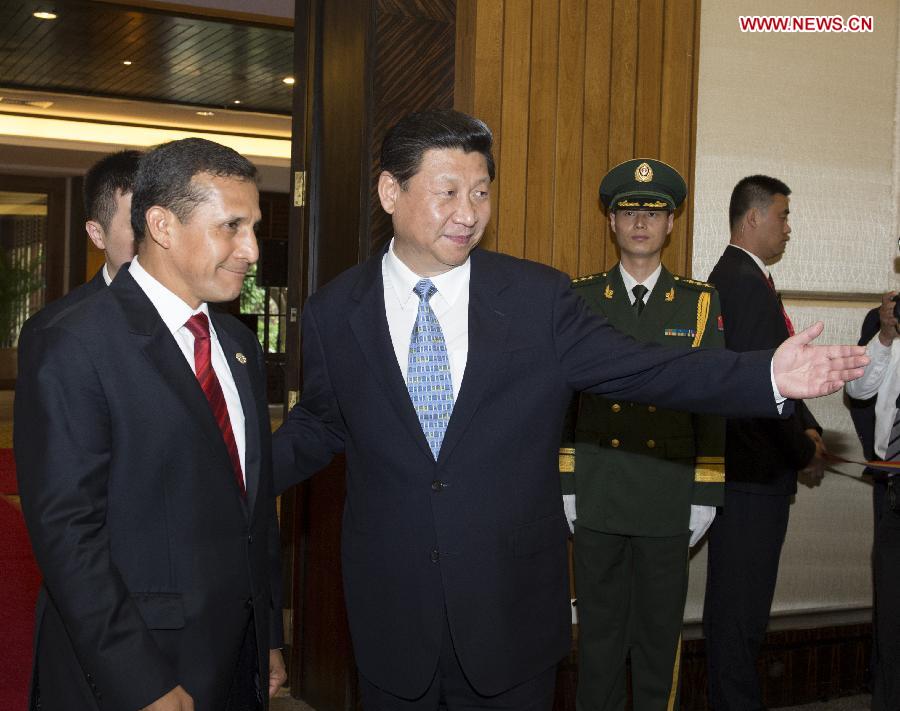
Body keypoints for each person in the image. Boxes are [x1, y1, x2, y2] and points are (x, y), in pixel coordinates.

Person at [271, 109, 865, 711]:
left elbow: (646, 366)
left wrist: (765, 373)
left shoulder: (537, 299)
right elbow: (322, 420)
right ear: (389, 191)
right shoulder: (333, 311)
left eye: (481, 192)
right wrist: (243, 469)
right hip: (392, 610)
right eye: (447, 192)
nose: (469, 213)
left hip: (511, 612)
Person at [15, 138, 286, 710]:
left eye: (254, 226)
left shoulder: (236, 343)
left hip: (236, 654)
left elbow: (252, 512)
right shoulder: (73, 340)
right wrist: (141, 680)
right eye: (231, 226)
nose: (252, 249)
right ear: (161, 225)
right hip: (134, 668)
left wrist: (268, 637)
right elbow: (69, 535)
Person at [560, 159, 724, 710]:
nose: (640, 222)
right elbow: (562, 398)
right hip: (600, 489)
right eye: (628, 210)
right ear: (610, 220)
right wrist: (566, 481)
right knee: (600, 642)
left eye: (654, 212)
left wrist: (705, 490)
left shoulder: (699, 302)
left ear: (671, 224)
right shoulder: (579, 298)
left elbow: (714, 404)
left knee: (658, 642)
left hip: (666, 490)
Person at [703, 174, 827, 711]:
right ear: (753, 218)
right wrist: (803, 450)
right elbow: (761, 393)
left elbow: (782, 371)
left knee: (739, 615)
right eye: (783, 215)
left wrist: (811, 424)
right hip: (753, 478)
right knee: (739, 618)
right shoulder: (743, 282)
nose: (788, 228)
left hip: (751, 476)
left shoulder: (745, 280)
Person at [17, 149, 141, 356]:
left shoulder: (205, 314)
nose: (158, 236)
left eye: (164, 222)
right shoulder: (54, 331)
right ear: (97, 235)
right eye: (137, 225)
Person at [845, 290, 900, 711]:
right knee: (891, 619)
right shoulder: (885, 321)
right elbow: (860, 391)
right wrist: (883, 335)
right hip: (894, 490)